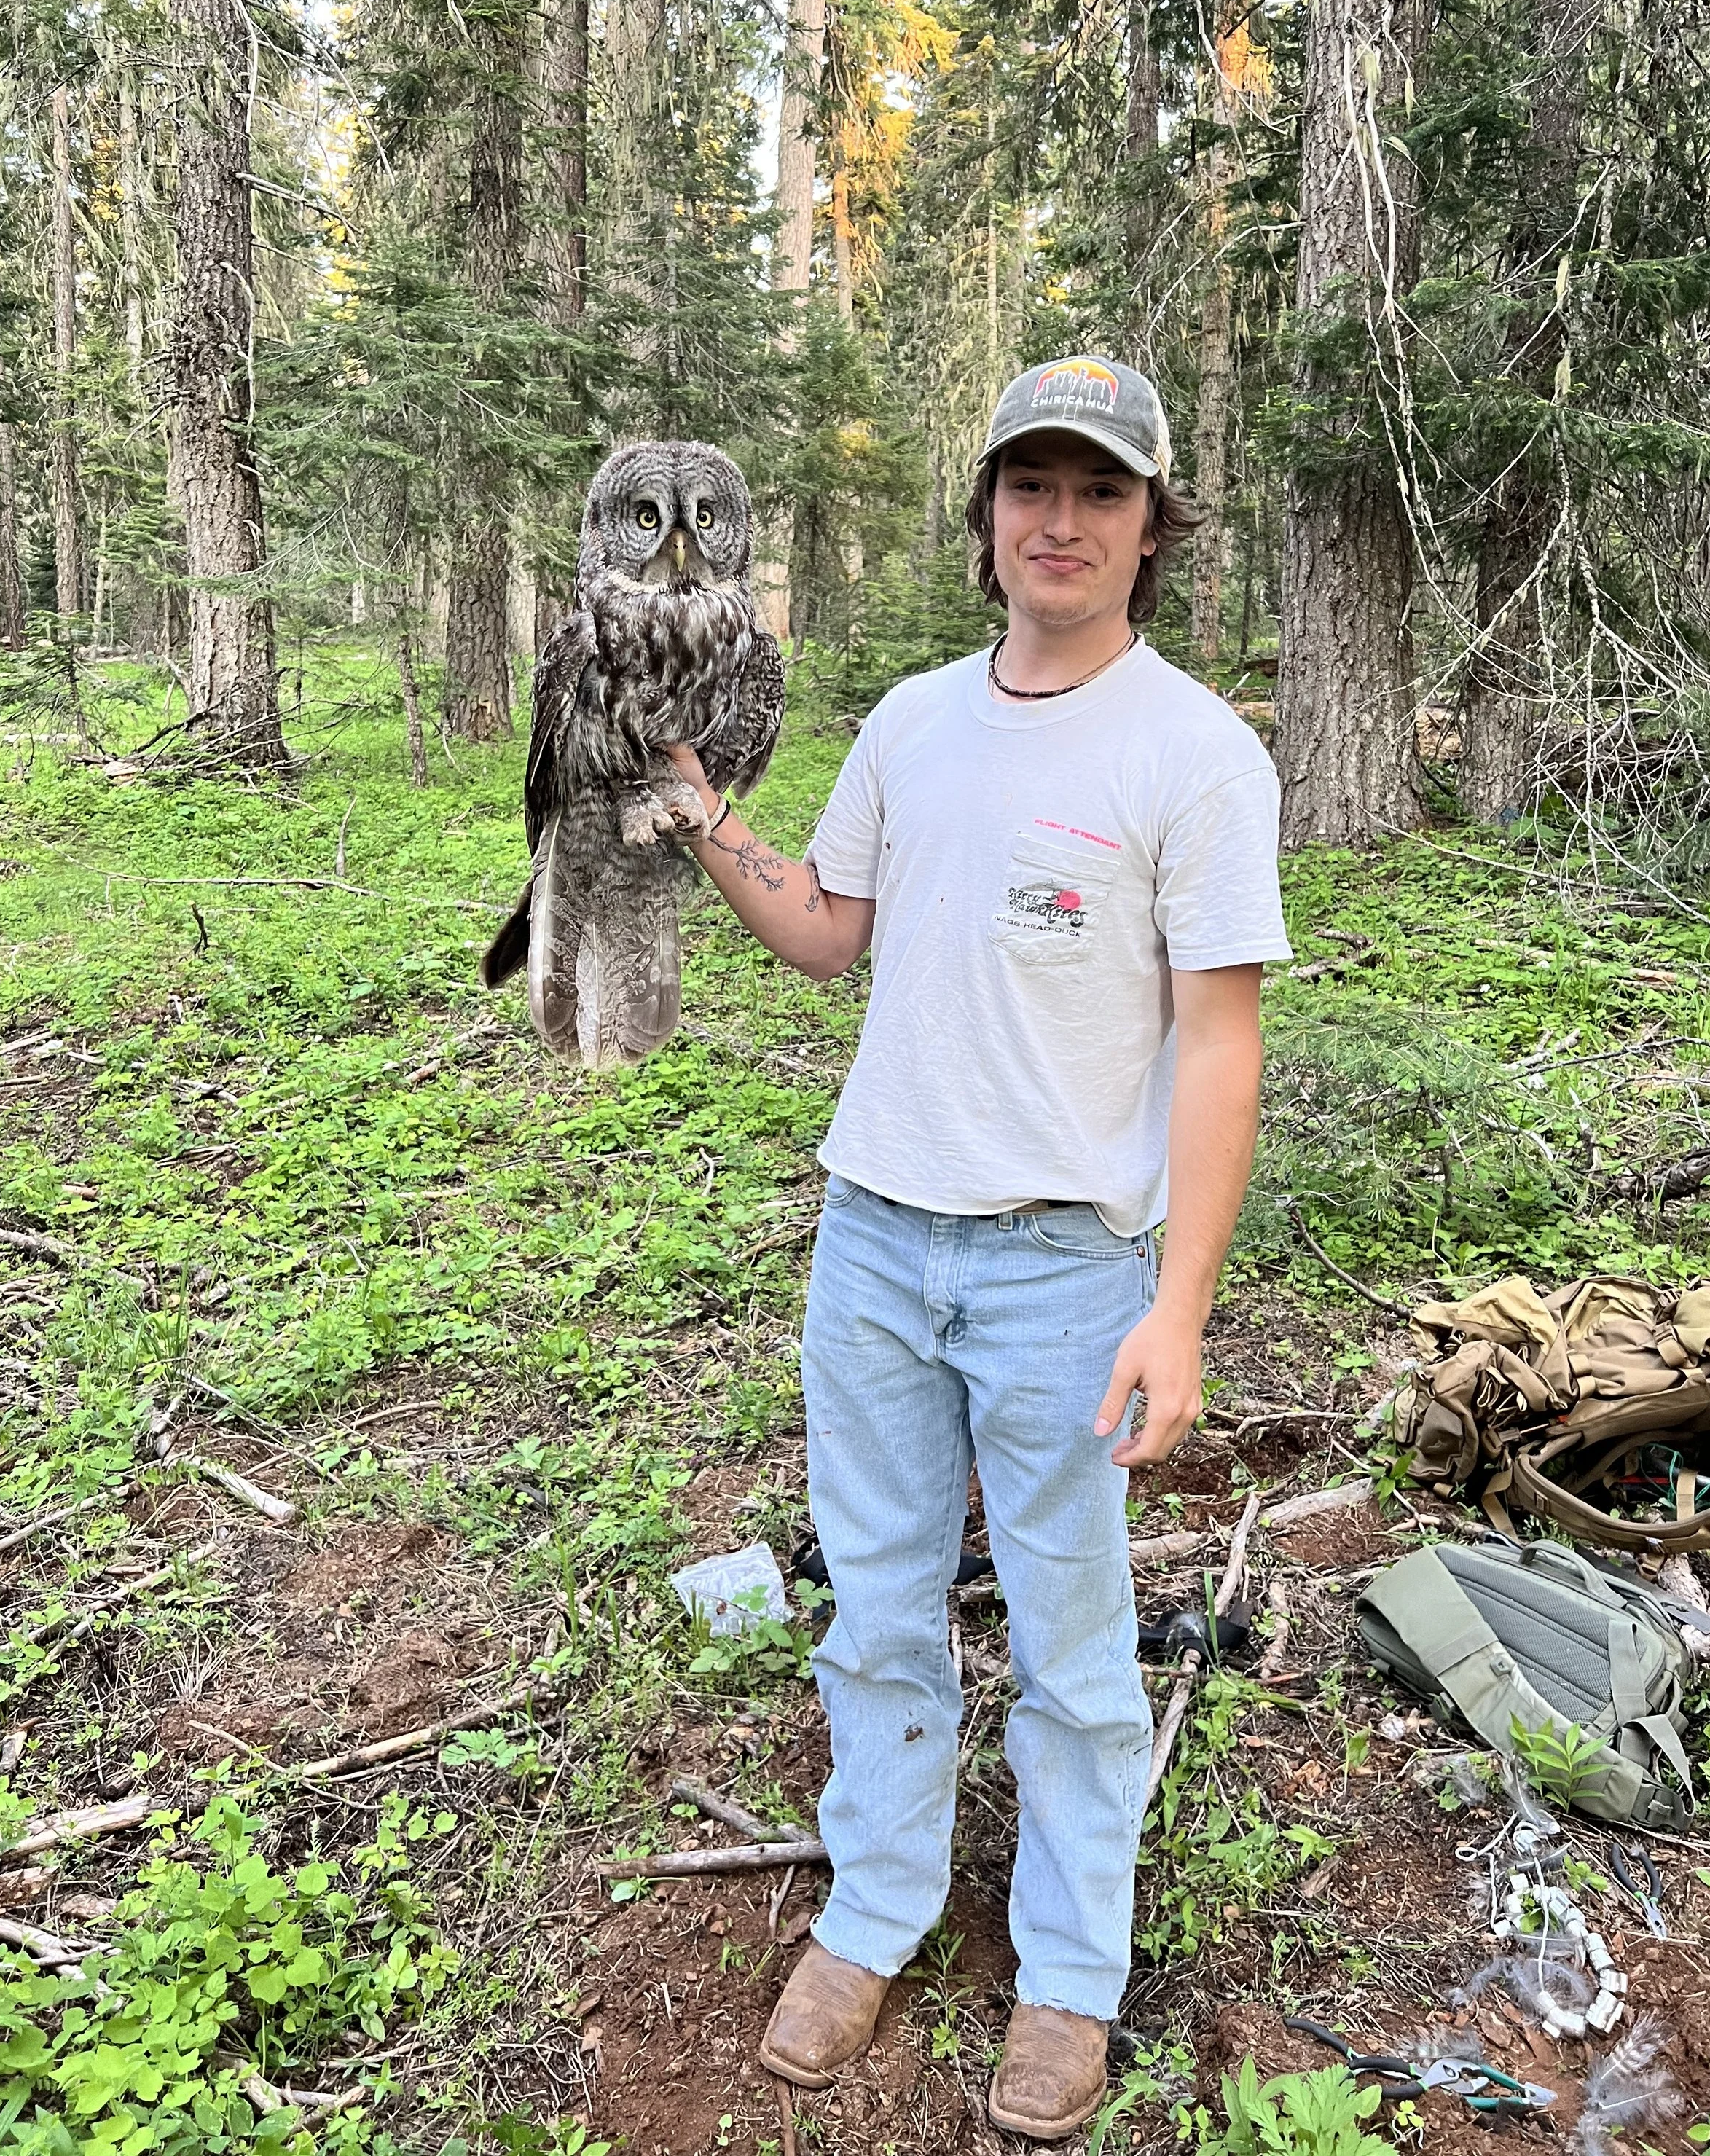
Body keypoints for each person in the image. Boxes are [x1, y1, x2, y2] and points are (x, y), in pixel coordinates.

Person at [667, 354, 1289, 2140]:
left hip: (1062, 1268)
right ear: (986, 519)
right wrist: (702, 811)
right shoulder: (910, 722)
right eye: (1029, 486)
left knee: (1075, 1636)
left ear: (1152, 524)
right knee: (873, 1610)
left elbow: (1220, 1039)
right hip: (872, 1239)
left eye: (1099, 492)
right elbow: (825, 931)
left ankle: (1071, 1971)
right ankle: (871, 1914)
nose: (1060, 522)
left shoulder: (1193, 752)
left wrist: (1176, 1305)